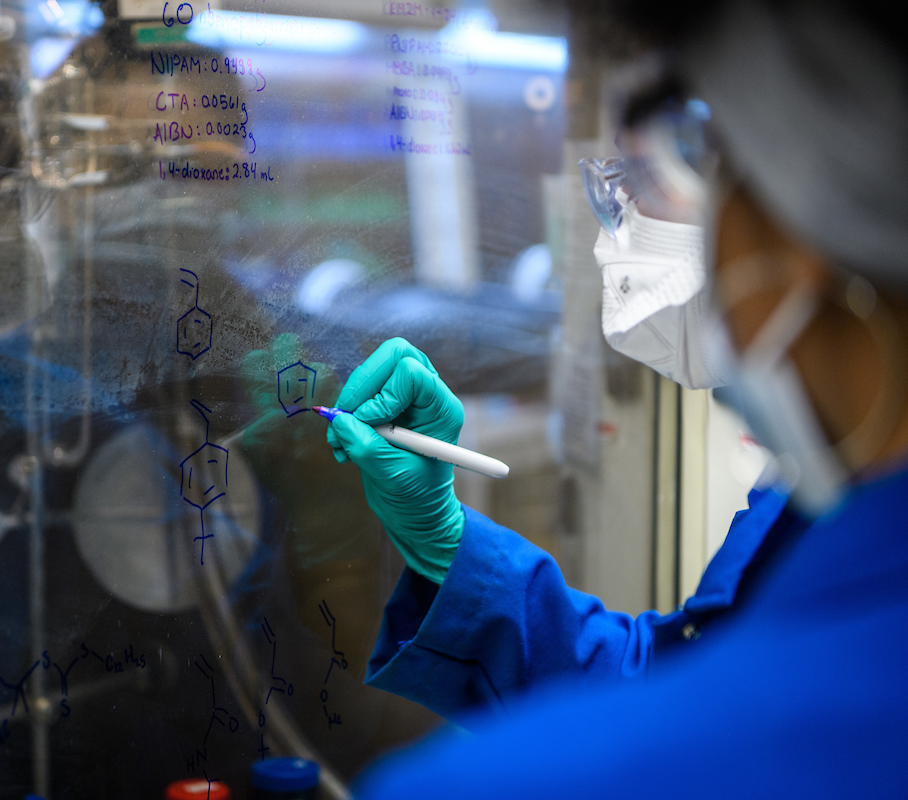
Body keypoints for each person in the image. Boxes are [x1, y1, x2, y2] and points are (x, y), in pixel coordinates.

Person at [327, 1, 908, 795]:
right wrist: (448, 545)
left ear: (799, 229)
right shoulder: (823, 495)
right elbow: (685, 686)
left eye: (700, 158)